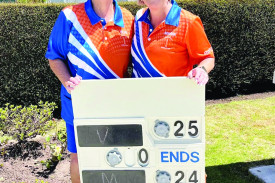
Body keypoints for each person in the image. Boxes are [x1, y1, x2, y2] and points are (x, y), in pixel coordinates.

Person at [45, 0, 134, 182]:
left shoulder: (128, 18)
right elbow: (54, 57)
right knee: (80, 159)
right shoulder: (69, 15)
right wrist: (67, 80)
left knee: (120, 157)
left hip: (117, 107)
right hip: (79, 105)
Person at [131, 0, 215, 182]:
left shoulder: (188, 21)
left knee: (184, 166)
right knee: (149, 166)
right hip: (141, 108)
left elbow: (208, 57)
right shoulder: (137, 19)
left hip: (175, 110)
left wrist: (201, 70)